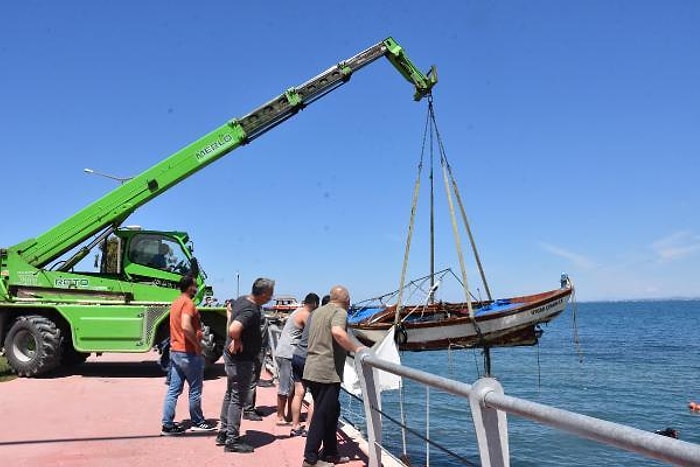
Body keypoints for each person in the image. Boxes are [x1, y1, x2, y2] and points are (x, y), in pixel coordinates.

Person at [302, 286, 366, 467]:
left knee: (332, 411)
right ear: (348, 301)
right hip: (326, 373)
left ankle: (330, 453)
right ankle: (310, 459)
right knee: (322, 415)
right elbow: (338, 332)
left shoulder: (317, 312)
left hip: (312, 369)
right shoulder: (340, 312)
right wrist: (357, 349)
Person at [217, 277, 275, 453]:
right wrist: (237, 338)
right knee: (237, 398)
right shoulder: (250, 309)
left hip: (233, 357)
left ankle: (224, 432)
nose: (271, 297)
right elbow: (234, 328)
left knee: (230, 394)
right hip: (241, 359)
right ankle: (232, 441)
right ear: (264, 293)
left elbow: (229, 309)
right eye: (271, 294)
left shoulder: (242, 299)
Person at [160, 276, 217, 435]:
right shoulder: (188, 304)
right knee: (195, 389)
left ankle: (168, 424)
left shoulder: (176, 302)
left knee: (173, 390)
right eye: (195, 285)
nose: (197, 287)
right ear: (190, 287)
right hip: (188, 353)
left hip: (176, 351)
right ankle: (198, 421)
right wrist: (197, 345)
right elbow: (186, 325)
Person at [275, 293, 319, 427]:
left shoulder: (298, 311)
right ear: (315, 304)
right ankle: (280, 416)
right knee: (285, 387)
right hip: (287, 353)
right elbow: (312, 333)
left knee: (292, 388)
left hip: (285, 351)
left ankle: (289, 415)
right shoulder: (305, 314)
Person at [290, 294, 320, 437]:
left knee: (298, 394)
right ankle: (308, 427)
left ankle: (295, 426)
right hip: (309, 358)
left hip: (297, 355)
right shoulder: (320, 318)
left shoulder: (310, 316)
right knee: (315, 395)